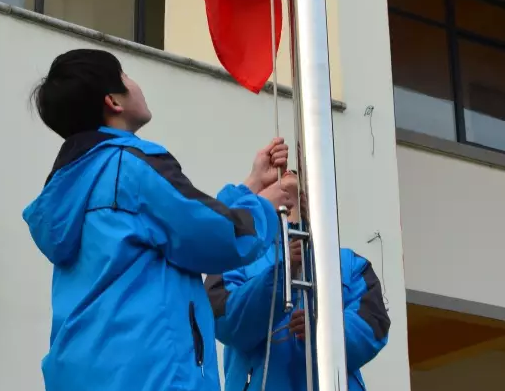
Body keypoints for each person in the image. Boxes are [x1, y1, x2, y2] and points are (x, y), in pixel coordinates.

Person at [23, 48, 294, 391]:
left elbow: (177, 224)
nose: (134, 84)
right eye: (124, 76)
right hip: (151, 374)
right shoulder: (132, 165)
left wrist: (251, 187)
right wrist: (265, 207)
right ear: (114, 102)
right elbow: (214, 236)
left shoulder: (75, 184)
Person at [205, 171, 390, 391]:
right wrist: (281, 277)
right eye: (275, 178)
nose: (288, 171)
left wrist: (323, 330)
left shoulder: (349, 264)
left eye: (295, 171)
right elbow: (224, 320)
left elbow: (372, 327)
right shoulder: (240, 256)